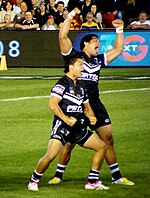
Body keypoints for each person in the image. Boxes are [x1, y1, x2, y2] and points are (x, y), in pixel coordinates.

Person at [48, 7, 135, 186]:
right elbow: (62, 36)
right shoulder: (74, 58)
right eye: (95, 41)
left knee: (108, 139)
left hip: (95, 104)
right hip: (76, 105)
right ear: (85, 44)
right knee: (69, 143)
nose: (99, 44)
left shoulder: (98, 60)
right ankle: (58, 175)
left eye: (99, 42)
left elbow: (118, 49)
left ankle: (117, 177)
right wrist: (70, 15)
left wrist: (119, 29)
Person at [28, 55, 109, 191]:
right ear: (71, 67)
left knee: (101, 147)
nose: (83, 68)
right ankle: (34, 180)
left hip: (78, 127)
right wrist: (66, 120)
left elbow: (86, 106)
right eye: (80, 65)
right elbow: (53, 105)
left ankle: (92, 181)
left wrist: (91, 116)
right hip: (63, 127)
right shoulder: (61, 84)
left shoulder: (82, 86)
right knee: (51, 155)